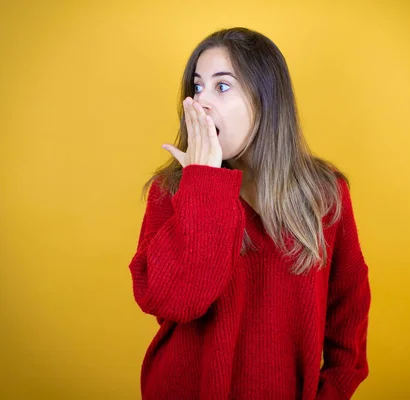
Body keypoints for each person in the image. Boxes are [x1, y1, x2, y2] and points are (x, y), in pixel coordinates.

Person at [128, 27, 371, 400]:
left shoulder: (325, 196)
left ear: (266, 100)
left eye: (221, 87)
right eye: (197, 87)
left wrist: (333, 391)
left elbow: (348, 310)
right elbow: (176, 302)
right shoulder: (171, 191)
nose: (199, 102)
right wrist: (203, 184)